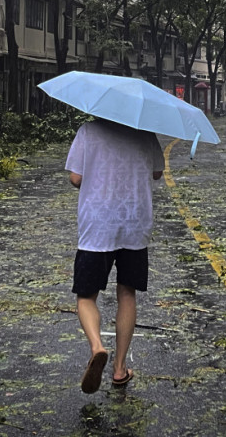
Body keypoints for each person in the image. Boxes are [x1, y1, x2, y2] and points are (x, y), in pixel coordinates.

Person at [65, 118, 165, 393]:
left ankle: (97, 346)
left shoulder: (88, 131)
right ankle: (120, 370)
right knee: (127, 292)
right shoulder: (145, 132)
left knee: (86, 296)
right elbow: (157, 172)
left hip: (97, 225)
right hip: (134, 222)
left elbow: (76, 177)